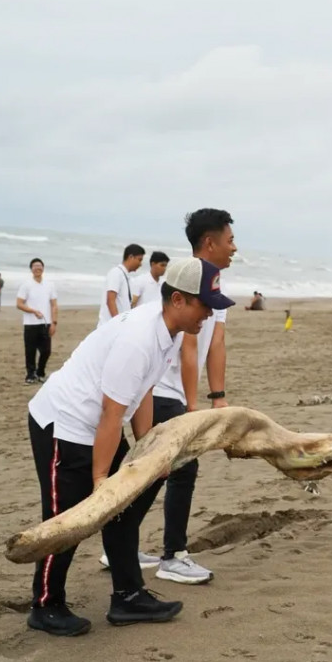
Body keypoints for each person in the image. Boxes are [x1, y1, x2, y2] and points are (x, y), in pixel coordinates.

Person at [25, 256, 234, 636]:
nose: (209, 314)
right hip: (64, 423)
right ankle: (45, 604)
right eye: (205, 305)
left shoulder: (168, 331)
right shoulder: (139, 338)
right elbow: (112, 411)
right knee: (66, 516)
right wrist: (102, 480)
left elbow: (143, 391)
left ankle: (128, 596)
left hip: (99, 423)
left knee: (122, 507)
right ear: (178, 300)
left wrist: (147, 451)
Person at [105, 209, 236, 584]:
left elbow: (216, 344)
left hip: (172, 390)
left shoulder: (214, 285)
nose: (234, 247)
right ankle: (171, 556)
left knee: (160, 470)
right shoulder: (188, 281)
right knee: (176, 468)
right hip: (163, 388)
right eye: (229, 240)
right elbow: (189, 348)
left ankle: (121, 546)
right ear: (209, 242)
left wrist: (219, 395)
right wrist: (193, 406)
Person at [17, 258, 59, 385]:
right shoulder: (26, 285)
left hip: (45, 323)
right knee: (30, 351)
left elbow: (54, 305)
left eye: (39, 265)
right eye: (35, 266)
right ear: (31, 269)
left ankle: (40, 373)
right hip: (30, 323)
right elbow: (19, 304)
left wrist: (54, 322)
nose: (37, 268)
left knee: (46, 351)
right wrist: (33, 311)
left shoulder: (49, 285)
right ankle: (30, 375)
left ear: (43, 268)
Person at [98, 244, 145, 326]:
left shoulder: (126, 277)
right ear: (131, 257)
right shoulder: (116, 273)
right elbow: (110, 300)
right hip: (110, 326)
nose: (140, 264)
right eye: (139, 260)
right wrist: (117, 323)